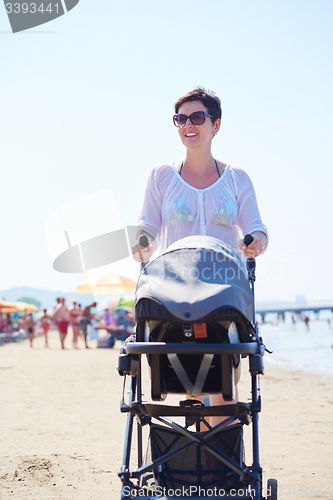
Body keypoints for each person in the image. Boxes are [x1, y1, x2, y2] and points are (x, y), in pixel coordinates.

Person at [132, 87, 268, 427]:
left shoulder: (236, 178)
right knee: (186, 376)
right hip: (174, 289)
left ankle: (218, 458)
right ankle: (195, 454)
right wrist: (142, 244)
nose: (187, 125)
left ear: (215, 125)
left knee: (223, 383)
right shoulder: (161, 176)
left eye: (197, 117)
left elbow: (257, 228)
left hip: (224, 291)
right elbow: (147, 225)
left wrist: (255, 243)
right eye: (180, 118)